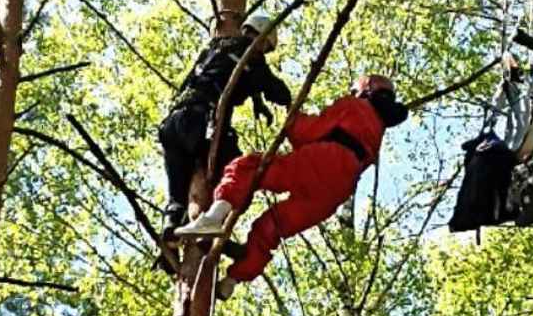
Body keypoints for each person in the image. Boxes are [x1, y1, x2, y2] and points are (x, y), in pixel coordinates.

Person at [174, 74, 409, 299]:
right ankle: (232, 281)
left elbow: (306, 132)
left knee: (248, 167)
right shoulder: (378, 129)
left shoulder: (353, 106)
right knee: (273, 225)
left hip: (323, 161)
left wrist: (292, 114)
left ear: (367, 89)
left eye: (354, 89)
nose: (351, 92)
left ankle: (214, 217)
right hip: (337, 191)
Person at [158, 14, 292, 247]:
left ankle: (171, 228)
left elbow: (232, 73)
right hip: (202, 121)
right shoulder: (252, 56)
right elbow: (276, 89)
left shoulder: (216, 47)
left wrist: (257, 101)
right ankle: (209, 225)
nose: (263, 52)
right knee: (239, 172)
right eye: (265, 47)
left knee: (177, 193)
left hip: (173, 123)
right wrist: (289, 101)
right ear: (260, 36)